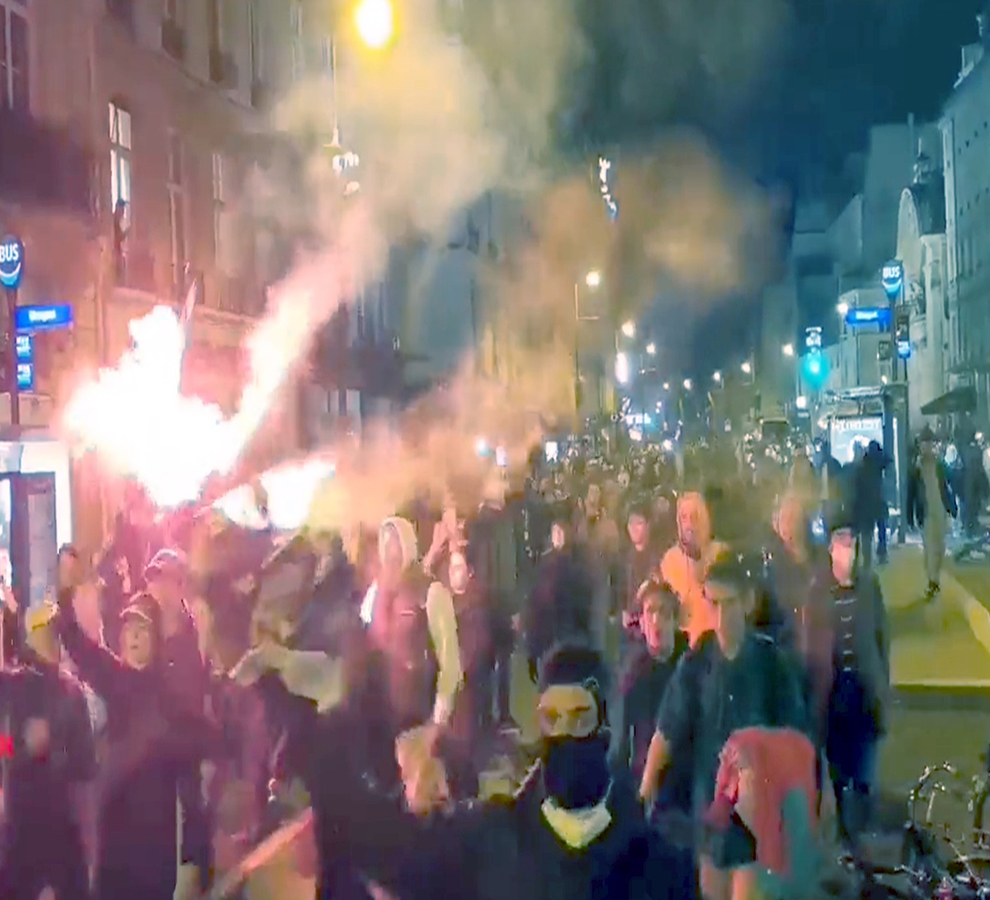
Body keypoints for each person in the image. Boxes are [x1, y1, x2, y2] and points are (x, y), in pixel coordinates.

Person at [240, 639, 687, 900]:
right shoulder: (490, 838)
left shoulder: (658, 864)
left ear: (605, 725)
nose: (565, 735)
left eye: (580, 718)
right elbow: (382, 842)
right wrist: (320, 724)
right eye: (553, 719)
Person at [640, 552, 807, 900]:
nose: (719, 614)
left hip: (756, 817)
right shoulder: (698, 661)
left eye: (728, 603)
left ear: (746, 602)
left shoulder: (770, 662)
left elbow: (797, 737)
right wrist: (646, 788)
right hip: (711, 816)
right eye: (712, 603)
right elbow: (668, 728)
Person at [55, 585, 216, 900]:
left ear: (156, 638)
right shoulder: (116, 679)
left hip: (155, 851)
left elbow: (194, 777)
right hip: (115, 844)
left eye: (142, 628)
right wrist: (64, 594)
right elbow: (80, 647)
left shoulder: (172, 697)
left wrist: (194, 860)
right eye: (129, 627)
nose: (134, 635)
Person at [0, 601, 96, 900]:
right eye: (40, 632)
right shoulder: (12, 687)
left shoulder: (73, 692)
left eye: (51, 631)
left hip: (60, 833)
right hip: (20, 831)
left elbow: (85, 767)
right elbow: (2, 744)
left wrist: (52, 747)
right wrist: (19, 745)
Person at [821, 503, 890, 848]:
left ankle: (862, 834)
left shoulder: (869, 585)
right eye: (840, 541)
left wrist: (883, 685)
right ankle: (843, 838)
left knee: (864, 767)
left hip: (863, 687)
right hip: (834, 690)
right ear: (830, 546)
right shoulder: (820, 591)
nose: (846, 547)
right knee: (837, 767)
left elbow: (881, 637)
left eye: (850, 541)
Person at [660, 492, 727, 648]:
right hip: (683, 647)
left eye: (694, 517)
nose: (689, 524)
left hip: (713, 645)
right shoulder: (670, 559)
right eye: (684, 518)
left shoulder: (720, 554)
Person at [907, 426, 957, 601]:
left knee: (940, 548)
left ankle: (935, 577)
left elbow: (947, 487)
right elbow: (911, 494)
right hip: (926, 512)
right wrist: (910, 517)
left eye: (930, 443)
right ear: (920, 446)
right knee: (929, 548)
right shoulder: (915, 468)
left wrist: (952, 508)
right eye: (924, 443)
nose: (927, 447)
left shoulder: (940, 464)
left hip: (940, 510)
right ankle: (932, 581)